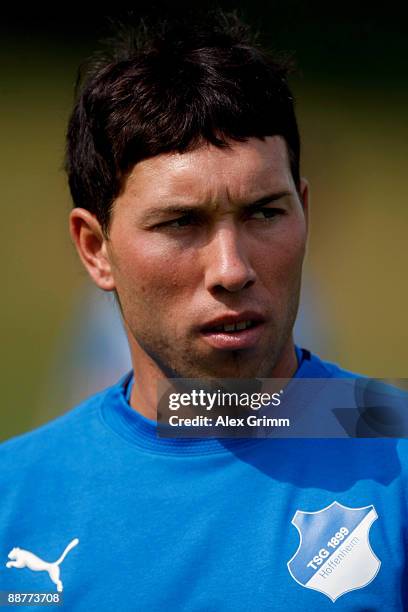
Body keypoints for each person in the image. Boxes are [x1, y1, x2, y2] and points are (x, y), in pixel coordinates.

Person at [0, 12, 406, 611]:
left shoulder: (393, 437)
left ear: (307, 212)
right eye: (180, 223)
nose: (231, 269)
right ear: (95, 249)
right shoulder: (16, 497)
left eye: (265, 212)